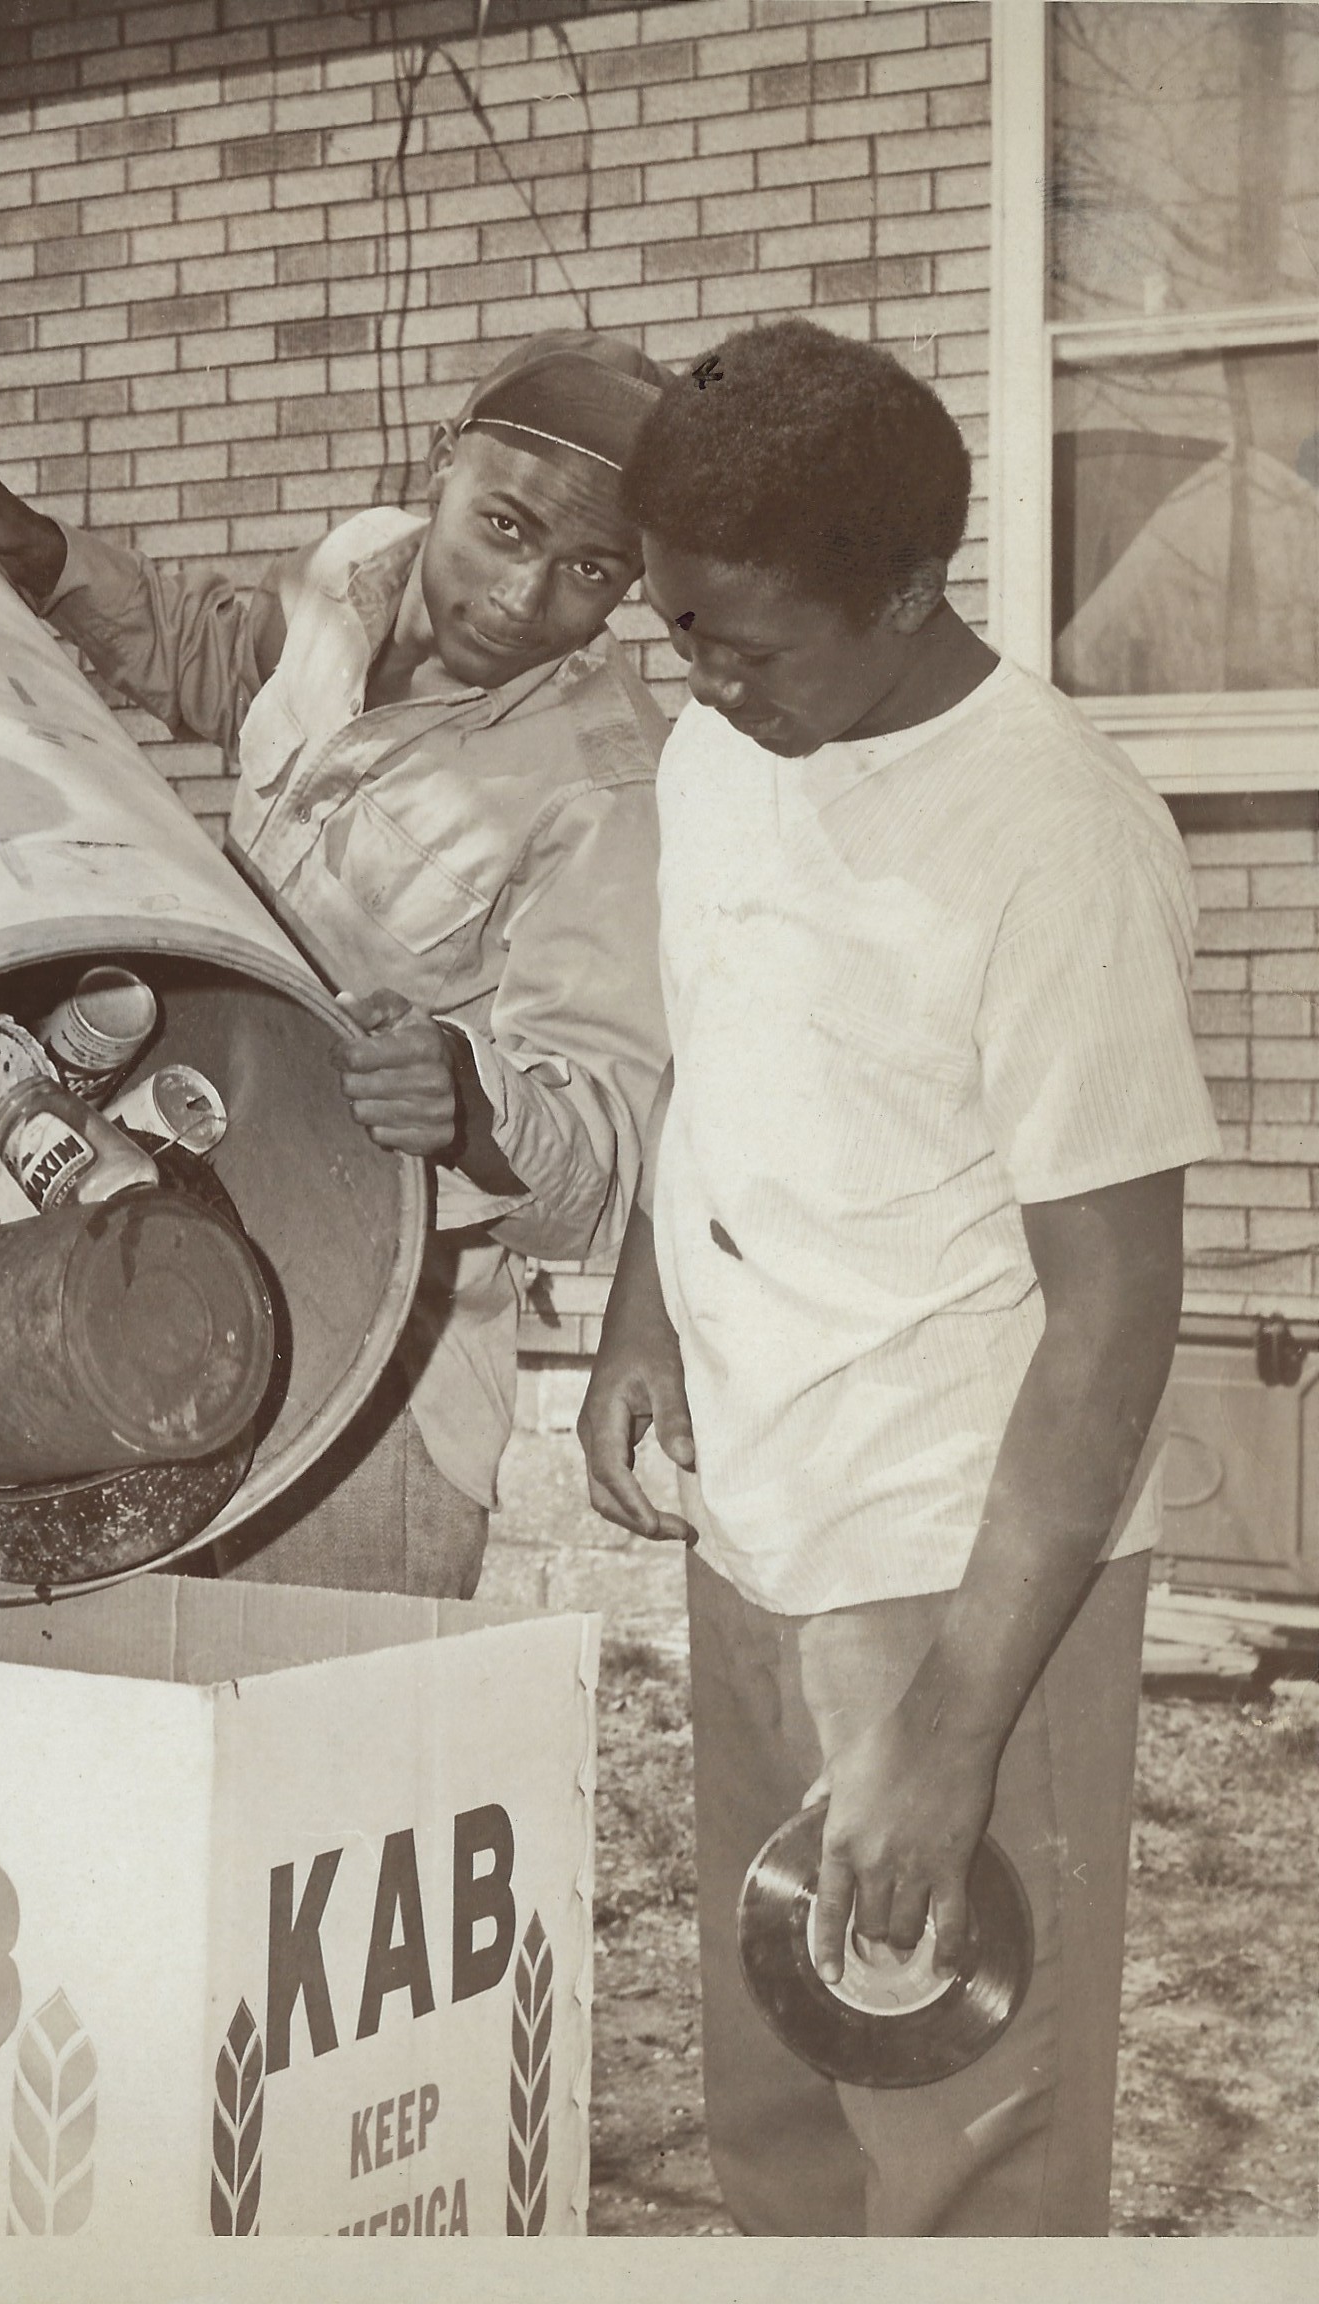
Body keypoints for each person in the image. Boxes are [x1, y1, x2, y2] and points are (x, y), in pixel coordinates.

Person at [579, 318, 1220, 2235]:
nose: (700, 677)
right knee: (779, 2099)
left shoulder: (1054, 834)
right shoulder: (722, 748)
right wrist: (641, 1312)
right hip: (755, 1518)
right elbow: (718, 1044)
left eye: (744, 642)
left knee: (960, 2138)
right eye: (675, 631)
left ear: (909, 589)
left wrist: (954, 1715)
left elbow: (1113, 1312)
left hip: (954, 1569)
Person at [0, 331, 674, 1598]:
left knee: (321, 1762)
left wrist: (471, 1107)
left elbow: (598, 1167)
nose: (523, 600)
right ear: (440, 465)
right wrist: (48, 563)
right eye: (504, 527)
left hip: (372, 1380)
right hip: (153, 1228)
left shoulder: (606, 787)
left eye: (592, 570)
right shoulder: (355, 568)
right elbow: (229, 662)